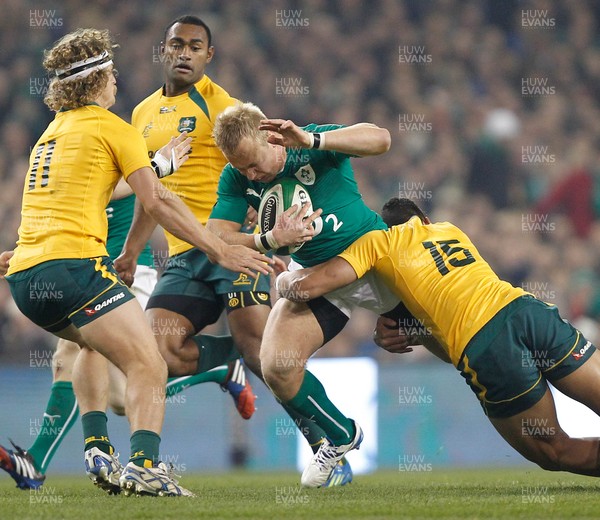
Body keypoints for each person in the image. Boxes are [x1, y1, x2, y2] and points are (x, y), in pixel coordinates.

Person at [2, 28, 270, 497]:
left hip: (26, 278)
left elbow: (70, 200)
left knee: (88, 347)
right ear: (97, 80)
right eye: (111, 72)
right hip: (75, 270)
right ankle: (146, 467)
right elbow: (159, 202)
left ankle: (98, 450)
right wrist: (218, 247)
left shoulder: (51, 135)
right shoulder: (112, 127)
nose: (117, 80)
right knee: (150, 363)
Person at [114, 16, 353, 487]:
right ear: (162, 50)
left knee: (264, 354)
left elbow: (271, 164)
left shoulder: (225, 108)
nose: (184, 52)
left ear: (209, 56)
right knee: (162, 349)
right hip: (185, 253)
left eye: (195, 46)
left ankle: (332, 444)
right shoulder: (141, 114)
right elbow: (151, 191)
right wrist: (131, 251)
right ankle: (225, 364)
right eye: (177, 44)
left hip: (236, 248)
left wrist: (272, 235)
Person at [276, 197, 600, 479]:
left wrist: (284, 277)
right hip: (527, 310)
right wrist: (406, 325)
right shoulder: (449, 229)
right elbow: (442, 294)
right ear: (424, 219)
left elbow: (310, 287)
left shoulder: (377, 243)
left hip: (485, 344)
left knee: (552, 450)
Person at [0, 179, 251, 490]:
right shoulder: (79, 151)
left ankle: (50, 459)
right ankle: (55, 458)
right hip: (85, 274)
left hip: (124, 273)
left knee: (81, 356)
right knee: (117, 395)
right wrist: (29, 253)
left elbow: (112, 189)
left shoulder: (112, 145)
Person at [207, 101, 394, 487]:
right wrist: (268, 239)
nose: (249, 174)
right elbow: (216, 234)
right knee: (276, 364)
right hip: (316, 276)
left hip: (375, 261)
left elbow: (381, 139)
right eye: (240, 167)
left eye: (252, 163)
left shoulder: (308, 141)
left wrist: (314, 139)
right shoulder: (237, 176)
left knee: (449, 341)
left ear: (267, 134)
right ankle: (342, 435)